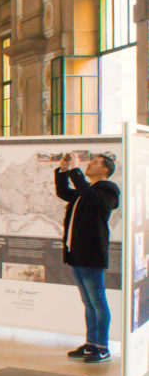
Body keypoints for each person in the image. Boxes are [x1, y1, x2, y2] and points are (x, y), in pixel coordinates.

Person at [55, 151, 119, 363]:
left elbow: (94, 200)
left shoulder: (108, 190)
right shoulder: (88, 190)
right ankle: (91, 344)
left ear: (105, 170)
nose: (89, 164)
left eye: (94, 162)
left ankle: (102, 347)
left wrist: (75, 170)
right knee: (89, 302)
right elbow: (64, 192)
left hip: (91, 255)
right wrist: (64, 171)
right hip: (78, 254)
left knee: (98, 302)